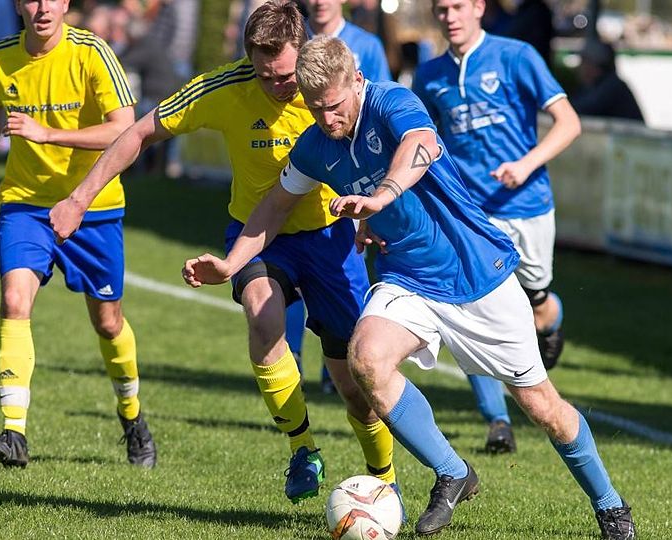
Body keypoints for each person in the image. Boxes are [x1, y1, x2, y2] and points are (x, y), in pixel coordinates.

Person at [183, 36, 636, 539]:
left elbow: (419, 145)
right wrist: (232, 263)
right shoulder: (315, 143)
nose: (327, 119)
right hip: (407, 276)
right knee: (366, 359)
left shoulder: (391, 102)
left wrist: (382, 197)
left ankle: (611, 505)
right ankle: (452, 471)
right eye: (314, 108)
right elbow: (274, 206)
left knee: (541, 407)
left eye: (334, 105)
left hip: (475, 272)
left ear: (356, 81)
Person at [49, 0, 401, 506]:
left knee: (355, 386)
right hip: (259, 234)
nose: (276, 87)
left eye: (285, 76)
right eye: (264, 76)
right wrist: (80, 198)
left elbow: (380, 148)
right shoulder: (225, 88)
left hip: (330, 237)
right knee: (262, 312)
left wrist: (374, 213)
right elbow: (141, 132)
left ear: (304, 54)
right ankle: (303, 449)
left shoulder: (328, 90)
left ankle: (384, 479)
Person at [0, 0, 155, 468]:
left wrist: (48, 134)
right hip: (26, 204)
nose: (43, 7)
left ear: (67, 3)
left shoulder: (93, 52)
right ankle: (14, 433)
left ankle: (132, 416)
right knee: (14, 301)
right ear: (18, 4)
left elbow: (125, 129)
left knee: (108, 323)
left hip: (93, 208)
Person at [412, 0, 582, 452]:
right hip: (469, 211)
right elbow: (419, 143)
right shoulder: (429, 75)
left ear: (478, 8)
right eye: (441, 9)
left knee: (536, 300)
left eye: (458, 7)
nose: (450, 17)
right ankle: (498, 421)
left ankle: (549, 318)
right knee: (471, 309)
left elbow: (569, 123)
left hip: (525, 206)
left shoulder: (517, 56)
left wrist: (525, 165)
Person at [300, 0, 394, 394]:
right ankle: (297, 367)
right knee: (294, 278)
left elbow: (382, 104)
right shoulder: (294, 42)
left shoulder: (366, 45)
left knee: (345, 272)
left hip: (356, 183)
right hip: (306, 170)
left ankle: (337, 372)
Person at [571, 40, 644, 122]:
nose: (580, 68)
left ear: (595, 66)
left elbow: (583, 109)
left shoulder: (612, 86)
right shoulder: (593, 87)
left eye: (584, 62)